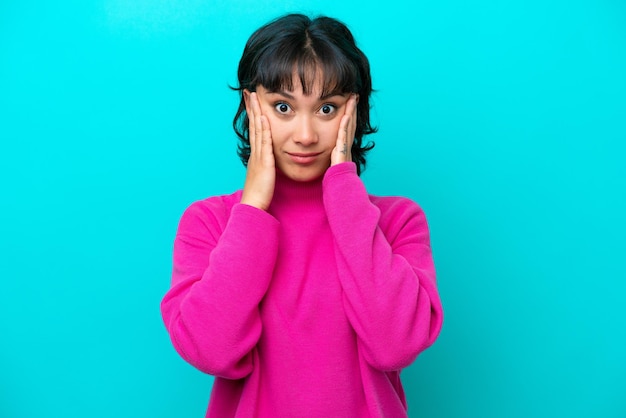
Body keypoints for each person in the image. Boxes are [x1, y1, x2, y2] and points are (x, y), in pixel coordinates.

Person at [161, 13, 443, 418]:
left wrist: (344, 190)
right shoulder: (210, 221)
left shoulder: (398, 220)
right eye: (283, 107)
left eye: (327, 108)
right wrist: (253, 208)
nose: (306, 134)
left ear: (355, 111)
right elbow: (210, 351)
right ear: (250, 103)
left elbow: (394, 345)